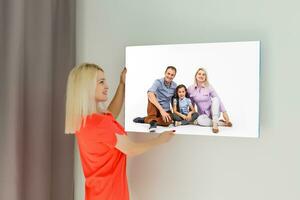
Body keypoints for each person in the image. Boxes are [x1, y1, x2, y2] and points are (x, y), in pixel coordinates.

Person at [64, 63, 175, 200]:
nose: (106, 86)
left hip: (95, 194)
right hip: (111, 195)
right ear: (87, 87)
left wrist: (122, 84)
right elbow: (131, 149)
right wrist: (159, 140)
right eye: (101, 82)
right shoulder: (102, 123)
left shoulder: (85, 120)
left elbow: (111, 113)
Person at [187, 68, 232, 133]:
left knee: (216, 99)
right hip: (203, 115)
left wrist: (224, 112)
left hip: (214, 112)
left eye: (203, 75)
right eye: (199, 74)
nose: (201, 76)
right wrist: (190, 114)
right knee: (199, 121)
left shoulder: (209, 87)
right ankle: (220, 123)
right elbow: (191, 103)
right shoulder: (190, 89)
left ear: (205, 77)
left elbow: (218, 99)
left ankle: (215, 125)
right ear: (196, 76)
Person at [133, 66, 177, 132]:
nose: (170, 76)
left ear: (174, 76)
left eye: (172, 75)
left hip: (166, 110)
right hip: (155, 108)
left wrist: (175, 112)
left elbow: (174, 100)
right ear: (165, 73)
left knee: (168, 121)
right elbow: (150, 93)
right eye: (168, 73)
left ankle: (147, 119)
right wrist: (161, 110)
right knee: (151, 95)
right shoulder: (158, 82)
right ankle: (152, 123)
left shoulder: (175, 85)